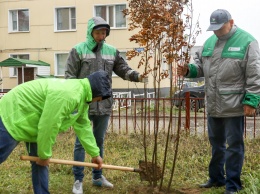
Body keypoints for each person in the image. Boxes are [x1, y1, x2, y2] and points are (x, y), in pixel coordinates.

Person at [177, 9, 260, 194]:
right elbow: (200, 68)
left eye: (220, 28)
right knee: (216, 144)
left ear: (231, 22)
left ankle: (233, 185)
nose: (216, 32)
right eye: (213, 28)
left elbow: (254, 75)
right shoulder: (209, 43)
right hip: (213, 104)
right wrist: (188, 70)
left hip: (234, 105)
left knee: (234, 146)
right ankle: (216, 178)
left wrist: (252, 101)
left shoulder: (247, 41)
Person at [65, 16, 148, 194]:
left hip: (104, 104)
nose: (101, 36)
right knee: (81, 142)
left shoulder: (112, 51)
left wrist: (138, 76)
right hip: (84, 105)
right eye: (98, 32)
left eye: (104, 33)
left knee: (99, 141)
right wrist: (74, 99)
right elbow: (70, 77)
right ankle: (78, 179)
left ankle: (97, 176)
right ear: (90, 32)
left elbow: (123, 69)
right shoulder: (77, 50)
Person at [0, 70, 112, 194]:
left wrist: (95, 154)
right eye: (100, 99)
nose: (98, 101)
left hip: (32, 121)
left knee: (41, 163)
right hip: (13, 113)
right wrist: (44, 155)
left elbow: (83, 126)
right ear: (97, 93)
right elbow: (49, 125)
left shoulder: (81, 98)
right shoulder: (69, 95)